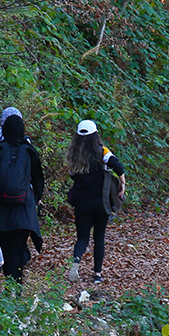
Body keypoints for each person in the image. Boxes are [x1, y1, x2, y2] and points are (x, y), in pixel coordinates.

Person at [65, 120, 125, 285]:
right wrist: (122, 185)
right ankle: (97, 274)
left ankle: (76, 261)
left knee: (82, 238)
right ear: (95, 135)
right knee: (99, 237)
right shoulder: (102, 151)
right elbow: (118, 166)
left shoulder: (73, 154)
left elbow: (72, 175)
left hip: (81, 203)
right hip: (101, 202)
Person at [0, 112, 45, 284]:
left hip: (1, 207)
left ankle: (8, 286)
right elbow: (38, 179)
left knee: (5, 248)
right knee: (18, 249)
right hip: (23, 209)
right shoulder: (29, 151)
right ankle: (16, 288)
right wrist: (36, 198)